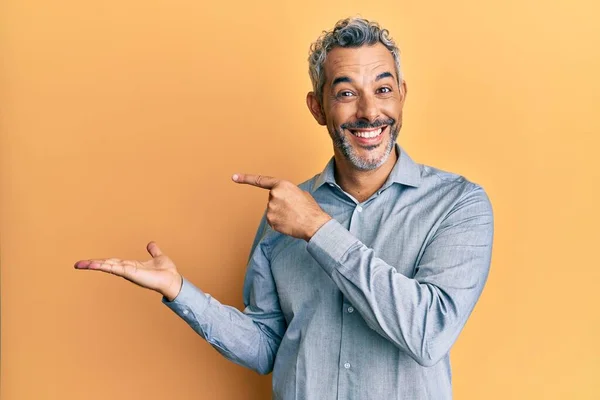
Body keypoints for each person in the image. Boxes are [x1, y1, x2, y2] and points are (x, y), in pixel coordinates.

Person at [75, 17, 494, 400]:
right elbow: (266, 345)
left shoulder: (458, 204)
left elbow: (429, 333)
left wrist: (318, 229)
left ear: (401, 96)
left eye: (383, 89)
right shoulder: (284, 212)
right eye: (346, 93)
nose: (369, 111)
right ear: (317, 108)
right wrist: (181, 292)